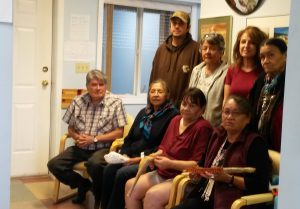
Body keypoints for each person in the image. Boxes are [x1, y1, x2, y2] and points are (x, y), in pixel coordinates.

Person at [172, 95, 271, 209]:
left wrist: (228, 178)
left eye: (236, 113)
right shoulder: (218, 135)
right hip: (204, 197)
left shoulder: (255, 143)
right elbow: (203, 163)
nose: (229, 117)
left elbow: (260, 184)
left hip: (232, 202)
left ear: (248, 118)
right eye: (226, 112)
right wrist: (197, 173)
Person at [47, 70, 127, 209]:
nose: (98, 88)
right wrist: (76, 136)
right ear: (87, 86)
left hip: (102, 148)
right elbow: (70, 128)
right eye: (94, 84)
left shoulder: (116, 102)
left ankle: (99, 195)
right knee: (54, 164)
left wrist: (94, 139)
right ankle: (83, 185)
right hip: (80, 147)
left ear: (105, 86)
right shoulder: (78, 101)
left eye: (101, 84)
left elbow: (119, 133)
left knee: (94, 164)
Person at [125, 87, 213, 209]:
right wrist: (154, 156)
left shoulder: (203, 127)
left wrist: (170, 163)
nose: (186, 109)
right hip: (164, 172)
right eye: (184, 104)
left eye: (192, 106)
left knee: (152, 196)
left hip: (182, 177)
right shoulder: (176, 120)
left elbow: (197, 163)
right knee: (130, 186)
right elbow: (163, 148)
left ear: (202, 110)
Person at [101, 79, 179, 209]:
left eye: (160, 91)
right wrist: (124, 154)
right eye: (152, 91)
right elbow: (129, 137)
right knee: (108, 169)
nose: (155, 94)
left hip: (149, 160)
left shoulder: (172, 116)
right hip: (130, 156)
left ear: (167, 95)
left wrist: (134, 160)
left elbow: (163, 147)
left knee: (122, 173)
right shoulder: (144, 112)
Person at [149, 11, 201, 107]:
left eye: (181, 23)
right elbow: (153, 79)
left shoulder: (196, 49)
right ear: (170, 26)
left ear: (188, 28)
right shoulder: (161, 49)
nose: (177, 26)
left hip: (183, 109)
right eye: (174, 23)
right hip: (160, 108)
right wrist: (150, 105)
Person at [249, 38, 287, 152]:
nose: (265, 61)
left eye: (271, 55)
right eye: (262, 57)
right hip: (260, 143)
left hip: (281, 144)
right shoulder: (261, 80)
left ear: (285, 56)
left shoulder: (291, 81)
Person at [189, 32, 228, 127]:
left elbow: (227, 105)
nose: (207, 52)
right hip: (193, 126)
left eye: (213, 48)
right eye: (204, 48)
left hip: (215, 129)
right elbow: (189, 98)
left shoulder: (227, 72)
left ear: (221, 52)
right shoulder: (196, 70)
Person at [224, 26, 267, 103]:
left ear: (260, 46)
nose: (246, 46)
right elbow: (226, 100)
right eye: (243, 42)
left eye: (252, 43)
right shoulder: (232, 69)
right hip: (233, 114)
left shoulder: (265, 71)